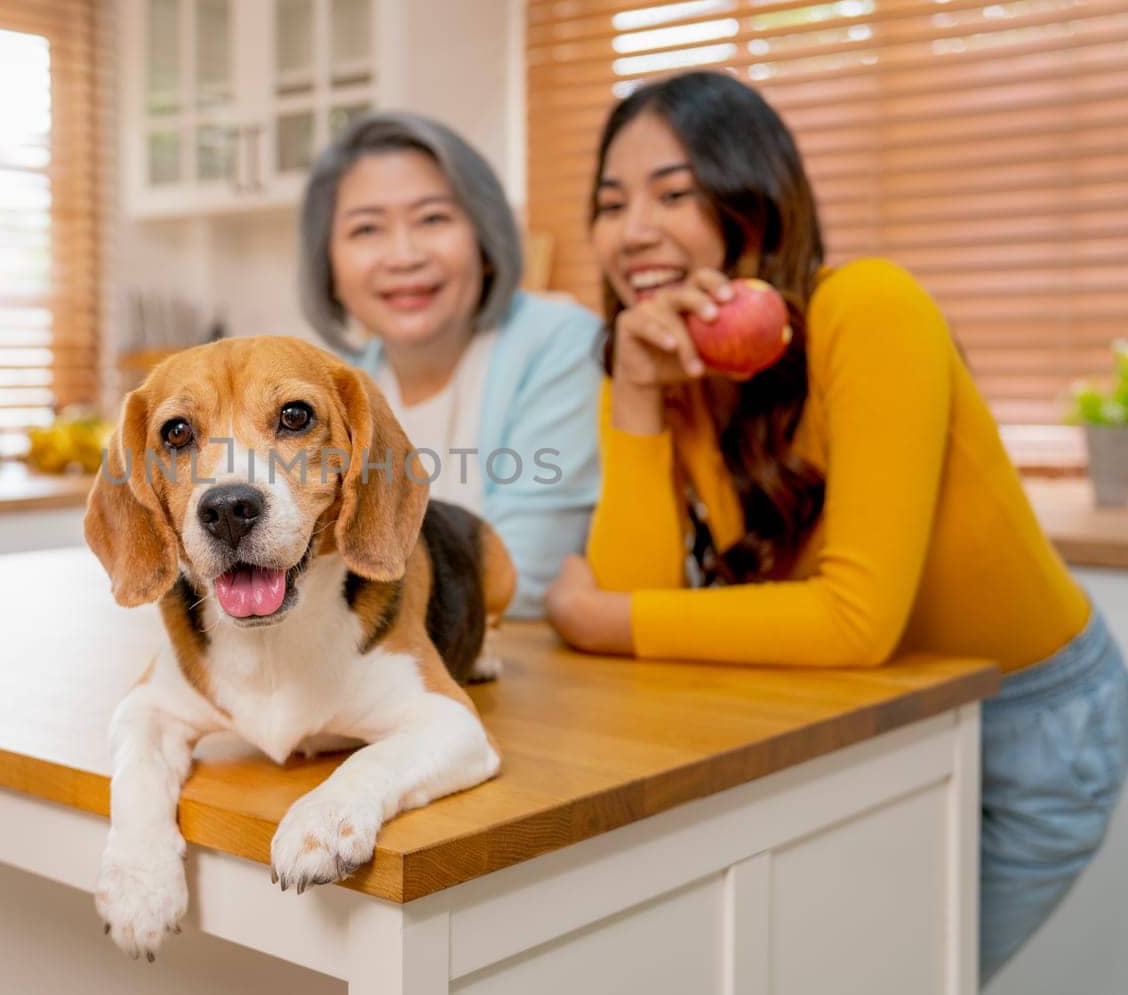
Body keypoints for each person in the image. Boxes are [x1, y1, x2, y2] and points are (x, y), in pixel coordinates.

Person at [543, 70, 1128, 985]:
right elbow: (641, 596)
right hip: (865, 715)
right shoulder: (676, 365)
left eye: (674, 193)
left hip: (1031, 722)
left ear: (755, 199)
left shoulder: (872, 305)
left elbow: (854, 618)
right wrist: (638, 394)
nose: (633, 231)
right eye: (611, 204)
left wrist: (592, 619)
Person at [299, 111, 601, 618]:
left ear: (484, 238)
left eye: (433, 219)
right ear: (329, 264)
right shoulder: (332, 388)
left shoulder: (561, 344)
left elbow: (520, 579)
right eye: (367, 228)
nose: (403, 255)